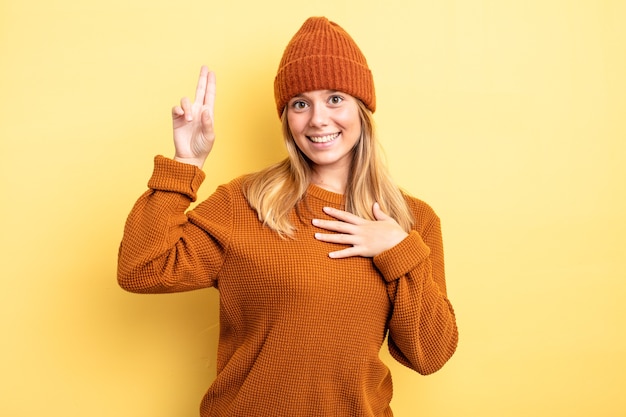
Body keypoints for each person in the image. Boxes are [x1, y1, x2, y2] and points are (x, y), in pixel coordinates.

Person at [118, 16, 458, 417]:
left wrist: (398, 250)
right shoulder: (245, 202)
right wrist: (185, 163)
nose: (317, 119)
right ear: (287, 119)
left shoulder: (413, 221)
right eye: (301, 103)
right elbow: (141, 269)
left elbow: (430, 354)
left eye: (335, 99)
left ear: (362, 110)